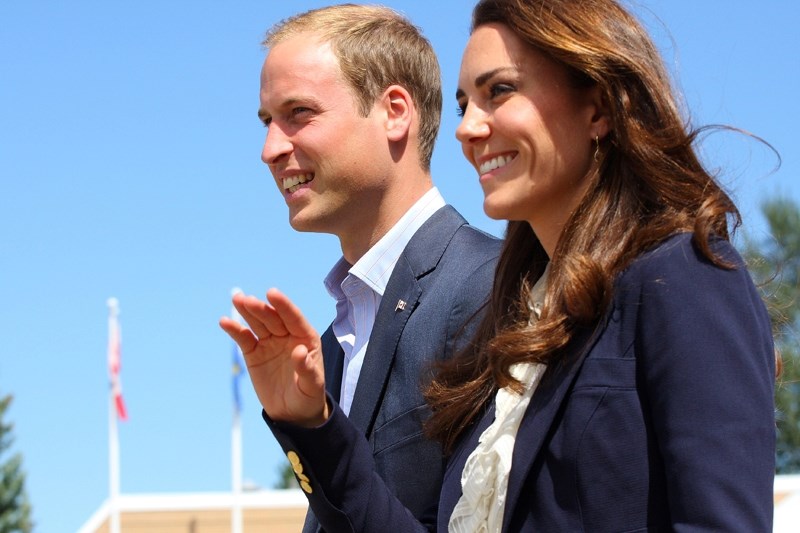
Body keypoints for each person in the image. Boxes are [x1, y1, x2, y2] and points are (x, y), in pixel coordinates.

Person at [223, 0, 776, 531]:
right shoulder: (531, 323)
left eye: (500, 91)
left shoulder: (682, 277)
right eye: (466, 105)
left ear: (600, 106)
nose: (468, 128)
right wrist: (313, 429)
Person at [219, 4, 500, 532]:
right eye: (267, 122)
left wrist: (319, 434)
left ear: (395, 111)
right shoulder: (331, 346)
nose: (270, 149)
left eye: (299, 113)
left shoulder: (489, 289)